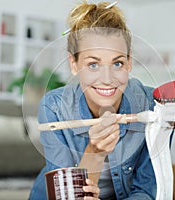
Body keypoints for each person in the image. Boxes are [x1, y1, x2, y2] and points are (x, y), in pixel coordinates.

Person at [29, 1, 157, 199]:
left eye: (117, 63)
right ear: (74, 64)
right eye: (93, 65)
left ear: (129, 62)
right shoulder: (54, 106)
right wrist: (94, 152)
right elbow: (66, 195)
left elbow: (147, 192)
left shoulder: (151, 105)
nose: (107, 79)